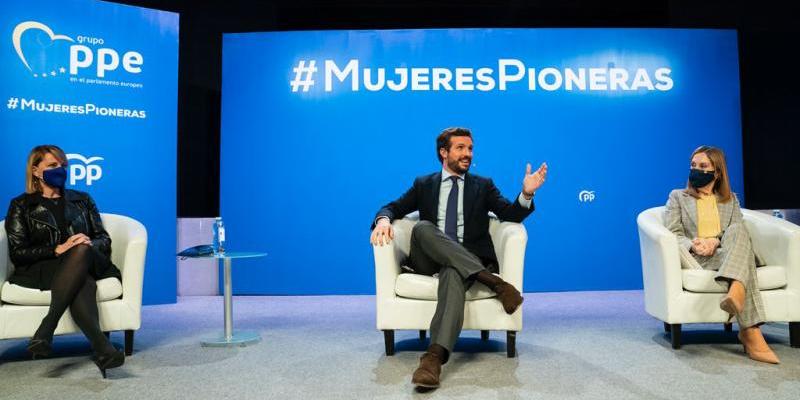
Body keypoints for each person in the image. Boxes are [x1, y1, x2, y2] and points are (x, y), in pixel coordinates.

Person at [370, 127, 547, 388]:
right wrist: (383, 220)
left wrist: (527, 194)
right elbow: (393, 207)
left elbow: (509, 215)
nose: (467, 154)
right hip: (428, 259)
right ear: (444, 152)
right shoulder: (424, 184)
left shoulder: (482, 185)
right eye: (460, 148)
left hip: (464, 262)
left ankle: (433, 359)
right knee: (422, 228)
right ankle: (494, 282)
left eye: (470, 149)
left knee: (453, 271)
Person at [5, 145, 125, 376]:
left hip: (87, 258)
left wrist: (88, 242)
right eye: (52, 166)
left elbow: (103, 238)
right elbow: (18, 252)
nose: (60, 170)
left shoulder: (82, 200)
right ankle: (103, 349)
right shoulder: (21, 205)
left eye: (63, 166)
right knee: (84, 282)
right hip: (45, 266)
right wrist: (57, 249)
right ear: (36, 171)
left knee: (80, 250)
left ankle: (46, 328)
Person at [665, 145, 779, 364]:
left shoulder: (731, 199)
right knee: (743, 259)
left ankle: (737, 293)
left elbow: (736, 233)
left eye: (703, 166)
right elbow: (673, 233)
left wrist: (714, 240)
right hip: (700, 257)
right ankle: (750, 329)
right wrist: (695, 245)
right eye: (693, 165)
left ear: (717, 172)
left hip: (726, 251)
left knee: (738, 229)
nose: (696, 169)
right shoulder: (678, 197)